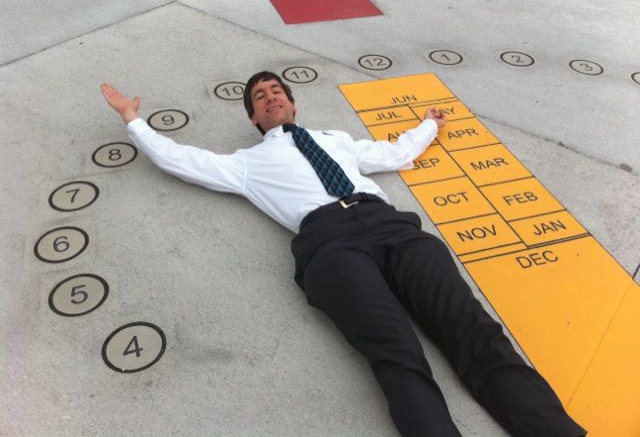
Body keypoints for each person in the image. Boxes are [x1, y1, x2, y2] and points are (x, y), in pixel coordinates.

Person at [100, 72, 586, 437]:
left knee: (473, 330)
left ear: (292, 103)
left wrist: (428, 126)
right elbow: (180, 159)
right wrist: (133, 120)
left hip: (393, 227)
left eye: (277, 91)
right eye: (260, 97)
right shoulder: (246, 164)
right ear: (254, 117)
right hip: (330, 243)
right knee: (397, 352)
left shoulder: (337, 140)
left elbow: (394, 154)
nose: (271, 97)